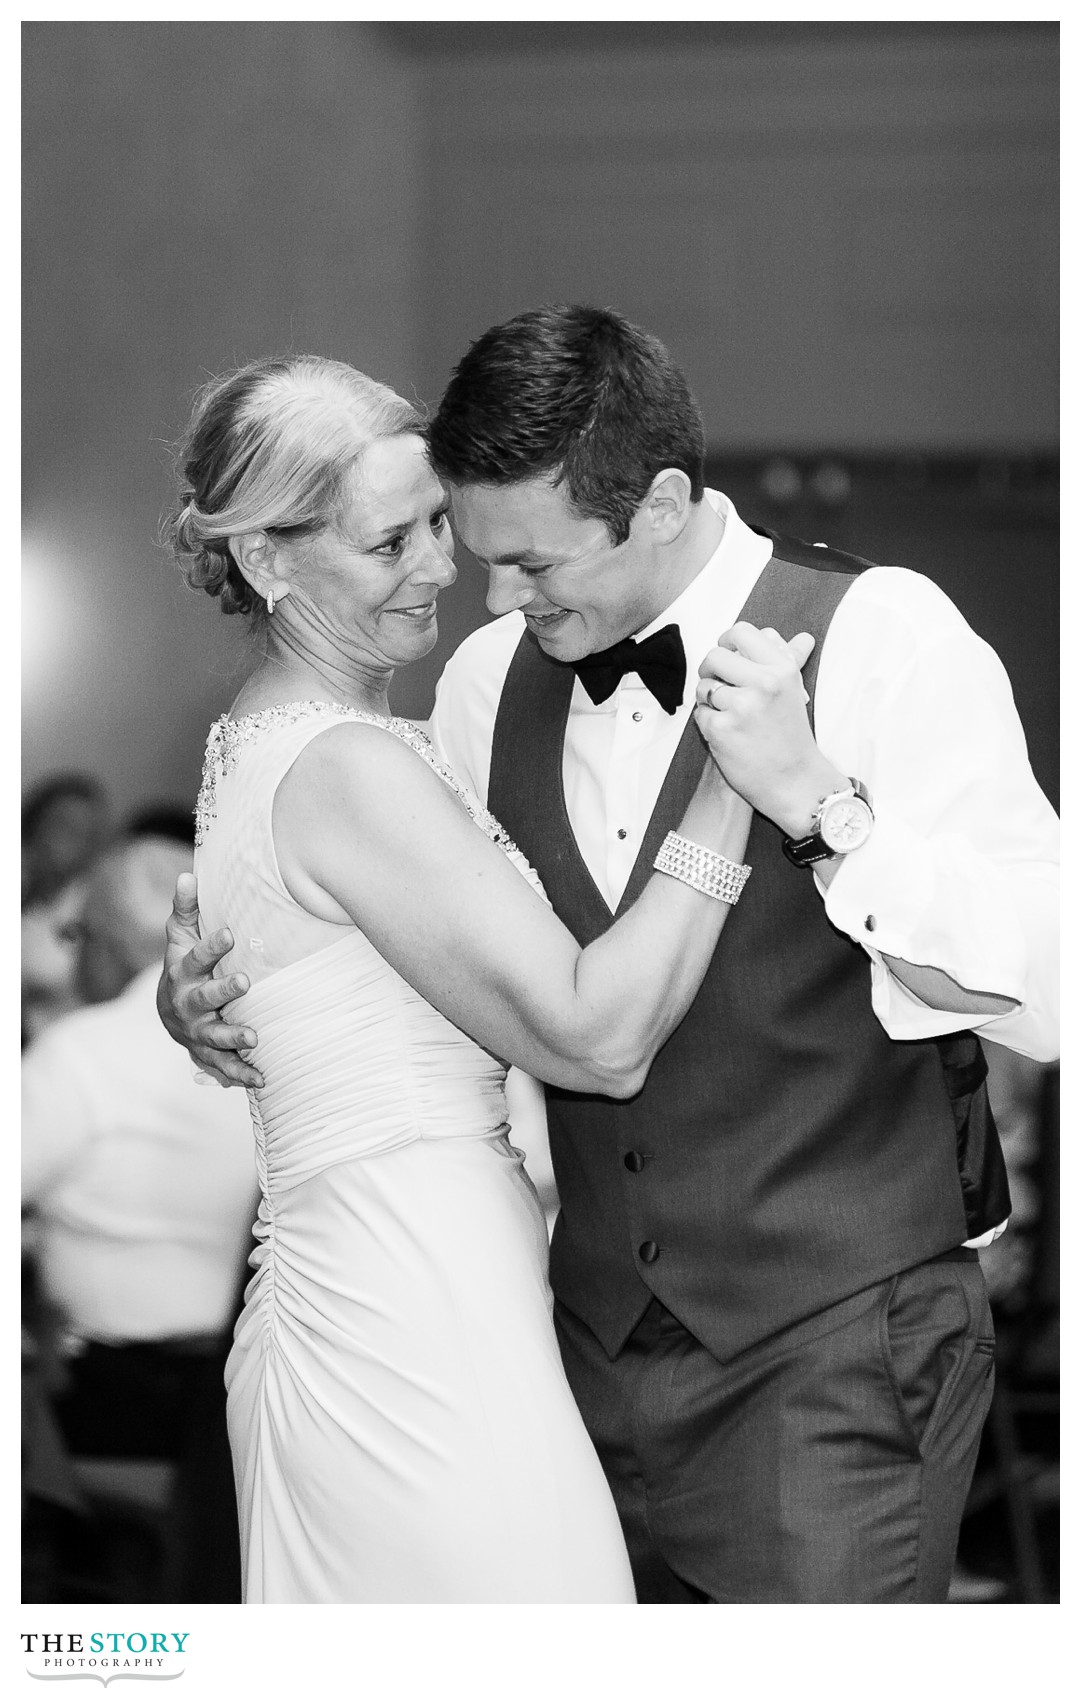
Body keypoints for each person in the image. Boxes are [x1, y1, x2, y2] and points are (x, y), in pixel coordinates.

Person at [160, 310, 1059, 1604]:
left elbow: (1042, 986)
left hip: (828, 1353)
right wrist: (196, 995)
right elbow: (368, 916)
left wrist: (823, 811)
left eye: (526, 562)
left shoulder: (881, 634)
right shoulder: (476, 685)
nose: (490, 596)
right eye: (452, 550)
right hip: (562, 1360)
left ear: (660, 505)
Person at [154, 354, 758, 1604]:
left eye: (438, 521)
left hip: (373, 1291)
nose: (441, 569)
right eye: (390, 542)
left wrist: (194, 1007)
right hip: (410, 1320)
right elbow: (597, 1037)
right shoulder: (345, 768)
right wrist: (730, 777)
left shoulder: (269, 742)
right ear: (269, 563)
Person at [22, 831, 257, 1471]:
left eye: (78, 938)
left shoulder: (86, 1051)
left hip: (113, 1397)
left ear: (113, 942)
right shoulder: (259, 1036)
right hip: (245, 1390)